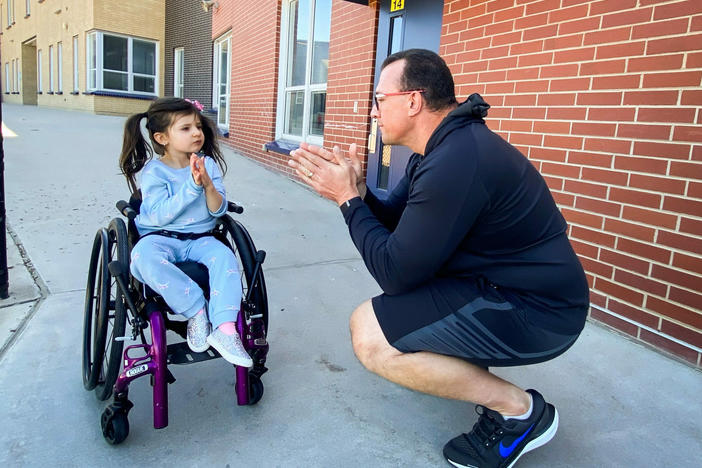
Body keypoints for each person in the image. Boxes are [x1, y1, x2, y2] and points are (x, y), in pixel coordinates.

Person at [288, 49, 589, 468]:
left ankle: (521, 413)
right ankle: (473, 370)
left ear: (413, 101)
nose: (374, 112)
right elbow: (395, 222)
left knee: (371, 336)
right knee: (394, 316)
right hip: (499, 287)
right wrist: (359, 189)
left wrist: (347, 198)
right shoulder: (440, 150)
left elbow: (395, 273)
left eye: (379, 99)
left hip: (539, 312)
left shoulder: (457, 160)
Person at [119, 97, 252, 368]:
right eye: (186, 128)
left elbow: (217, 211)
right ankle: (197, 309)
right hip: (160, 237)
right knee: (141, 258)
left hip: (202, 238)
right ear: (162, 137)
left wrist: (207, 186)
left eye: (198, 126)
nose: (196, 133)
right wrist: (191, 187)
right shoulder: (154, 172)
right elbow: (158, 215)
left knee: (225, 257)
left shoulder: (208, 165)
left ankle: (225, 330)